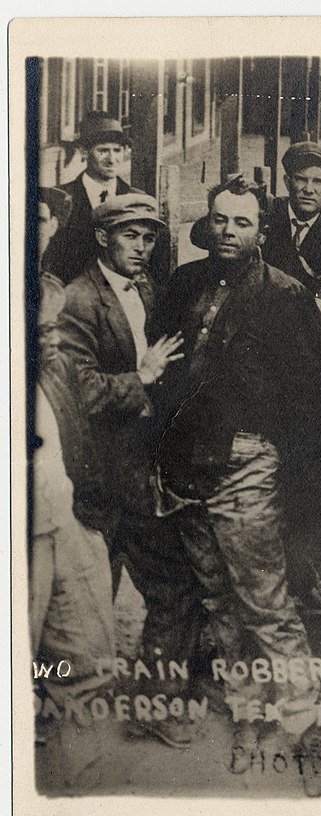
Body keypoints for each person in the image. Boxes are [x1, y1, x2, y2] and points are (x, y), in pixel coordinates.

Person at [152, 175, 321, 796]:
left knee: (265, 601)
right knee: (217, 601)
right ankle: (250, 716)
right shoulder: (183, 283)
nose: (229, 232)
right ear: (208, 224)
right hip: (185, 465)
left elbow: (311, 398)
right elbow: (164, 372)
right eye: (221, 221)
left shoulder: (285, 296)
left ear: (262, 230)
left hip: (246, 461)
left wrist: (280, 465)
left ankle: (306, 727)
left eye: (243, 223)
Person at [58, 193, 207, 748]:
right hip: (97, 476)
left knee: (161, 586)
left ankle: (147, 702)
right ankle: (65, 709)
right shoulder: (77, 300)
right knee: (86, 597)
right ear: (103, 238)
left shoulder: (145, 288)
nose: (141, 248)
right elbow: (77, 394)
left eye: (149, 238)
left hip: (141, 469)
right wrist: (141, 378)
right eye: (129, 236)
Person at [31, 187, 117, 757]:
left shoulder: (46, 286)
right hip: (33, 483)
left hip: (58, 476)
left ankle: (49, 693)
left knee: (83, 629)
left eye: (45, 219)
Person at [190, 142, 321, 335]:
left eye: (318, 182)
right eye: (301, 179)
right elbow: (199, 236)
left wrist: (314, 308)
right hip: (256, 309)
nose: (309, 189)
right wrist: (238, 200)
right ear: (287, 182)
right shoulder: (269, 210)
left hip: (307, 315)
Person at [42, 111, 136, 285]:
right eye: (103, 151)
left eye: (117, 150)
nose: (112, 159)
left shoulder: (135, 199)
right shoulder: (59, 199)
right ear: (84, 151)